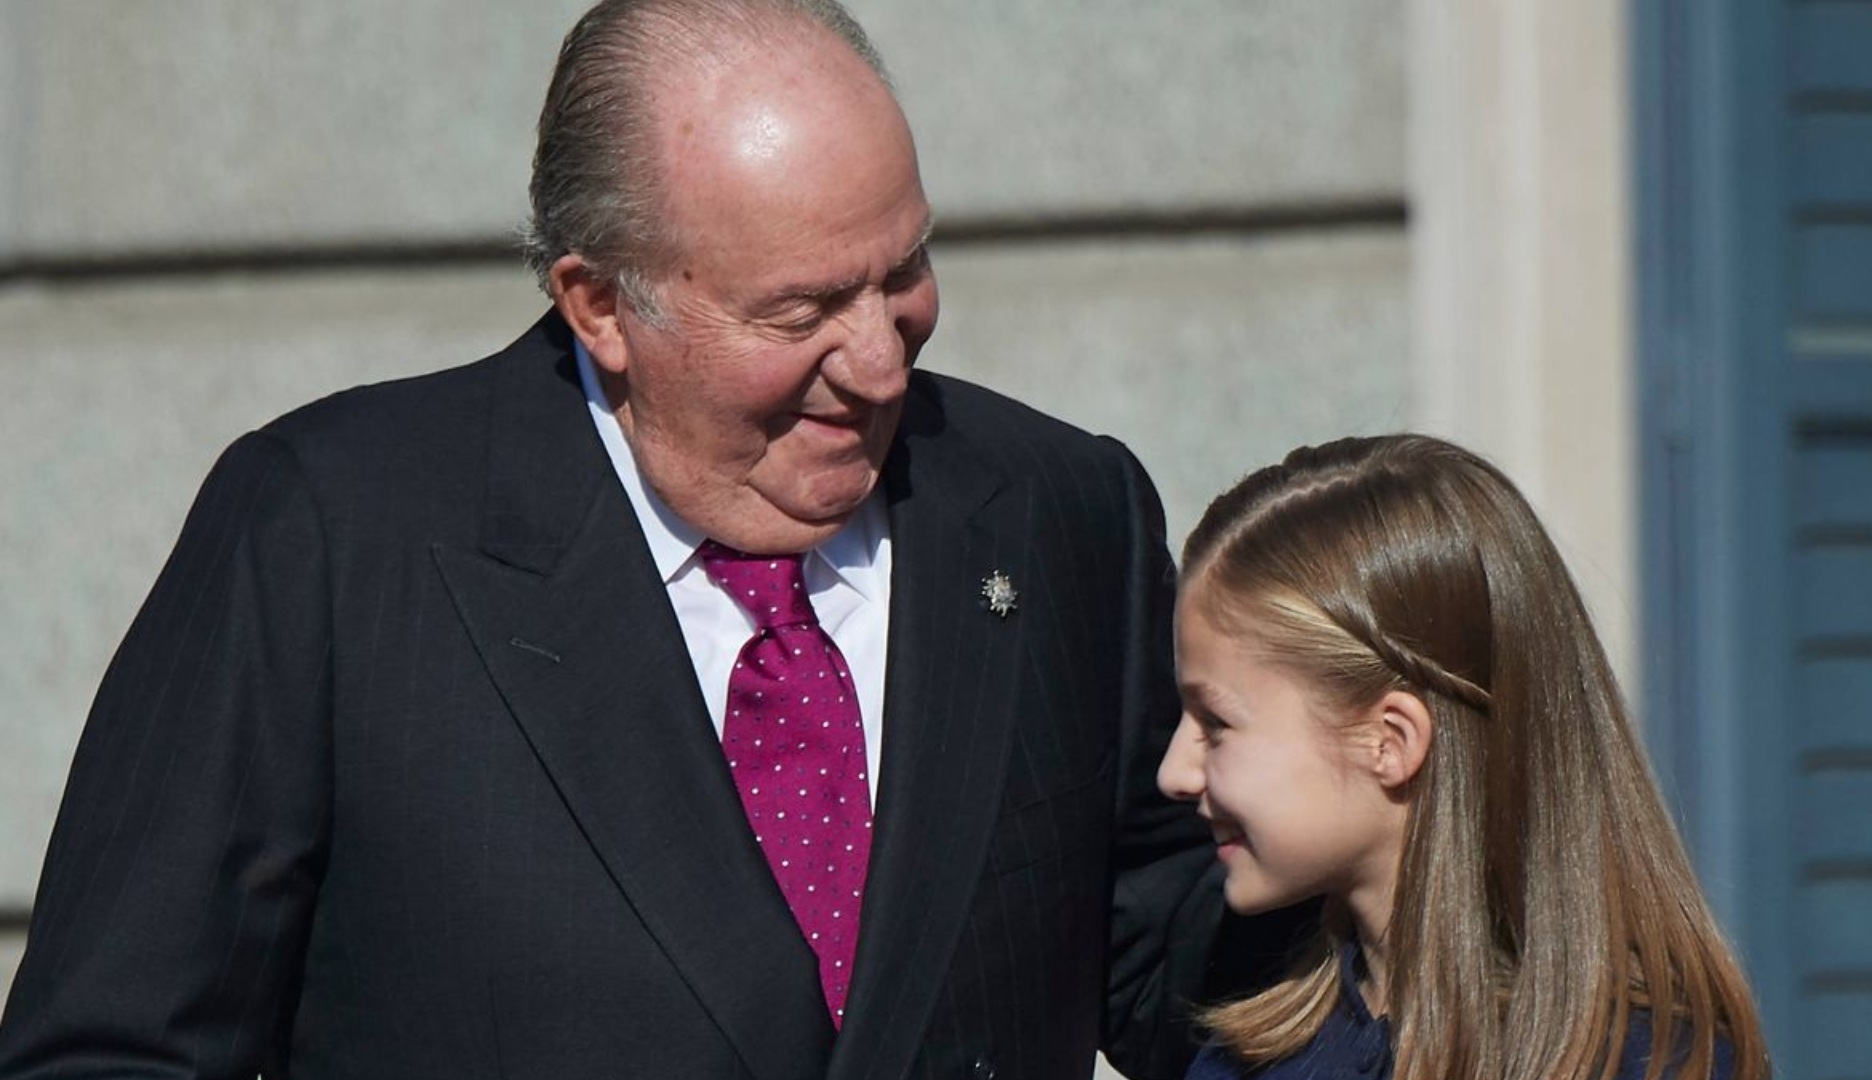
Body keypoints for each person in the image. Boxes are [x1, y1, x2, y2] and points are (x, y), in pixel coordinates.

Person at [0, 2, 1241, 1077]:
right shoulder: (332, 539)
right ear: (600, 305)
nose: (878, 360)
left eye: (903, 268)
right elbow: (117, 1043)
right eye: (801, 309)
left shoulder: (1055, 506)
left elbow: (1180, 959)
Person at [1156, 435, 1771, 1080]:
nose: (1175, 772)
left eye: (1216, 722)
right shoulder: (1247, 1062)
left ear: (1389, 742)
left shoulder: (1658, 1064)